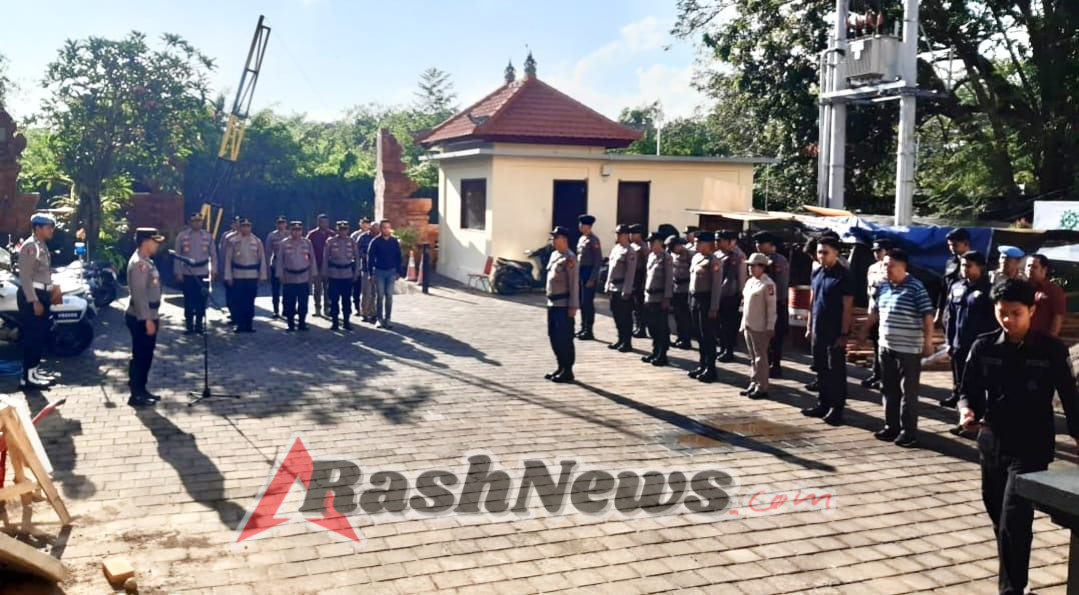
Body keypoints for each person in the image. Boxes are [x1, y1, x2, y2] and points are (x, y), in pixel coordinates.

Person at [957, 278, 1079, 595]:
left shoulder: (1051, 350)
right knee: (1000, 520)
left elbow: (1071, 399)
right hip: (992, 444)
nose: (1008, 320)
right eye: (1002, 313)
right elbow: (966, 391)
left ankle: (1012, 590)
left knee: (1014, 519)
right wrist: (967, 411)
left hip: (1032, 447)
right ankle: (1014, 578)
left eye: (1016, 313)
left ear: (1032, 310)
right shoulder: (983, 346)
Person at [860, 249, 934, 446]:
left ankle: (908, 431)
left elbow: (928, 316)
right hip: (886, 346)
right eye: (885, 265)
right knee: (888, 388)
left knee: (908, 392)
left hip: (909, 349)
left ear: (903, 267)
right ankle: (890, 426)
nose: (887, 269)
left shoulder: (916, 287)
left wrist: (928, 342)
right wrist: (864, 330)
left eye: (891, 265)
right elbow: (875, 311)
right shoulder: (883, 286)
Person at [803, 236, 853, 425]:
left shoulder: (843, 276)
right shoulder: (817, 273)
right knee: (821, 369)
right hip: (818, 329)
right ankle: (822, 404)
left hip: (835, 331)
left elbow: (847, 307)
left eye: (825, 252)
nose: (821, 256)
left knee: (836, 372)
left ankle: (836, 408)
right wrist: (809, 326)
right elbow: (813, 301)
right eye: (819, 252)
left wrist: (844, 333)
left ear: (836, 253)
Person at [942, 251, 996, 409]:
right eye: (962, 265)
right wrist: (949, 341)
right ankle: (961, 407)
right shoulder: (956, 286)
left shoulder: (989, 290)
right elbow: (950, 316)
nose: (964, 268)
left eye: (968, 265)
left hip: (979, 345)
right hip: (959, 343)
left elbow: (994, 320)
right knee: (960, 379)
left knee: (977, 383)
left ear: (980, 267)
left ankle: (976, 415)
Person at [17, 213, 59, 390]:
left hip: (41, 294)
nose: (52, 230)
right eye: (49, 227)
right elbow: (25, 277)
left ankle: (34, 372)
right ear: (38, 228)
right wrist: (34, 300)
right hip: (32, 296)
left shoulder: (41, 245)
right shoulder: (30, 246)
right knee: (32, 337)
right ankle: (27, 379)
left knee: (39, 336)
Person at [126, 227, 166, 407]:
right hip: (141, 316)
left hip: (149, 314)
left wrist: (155, 315)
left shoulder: (146, 261)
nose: (157, 244)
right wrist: (147, 319)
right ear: (145, 242)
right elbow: (139, 294)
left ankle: (142, 389)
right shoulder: (139, 264)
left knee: (146, 355)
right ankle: (136, 394)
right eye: (154, 241)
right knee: (140, 355)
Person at [543, 226, 580, 383]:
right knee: (554, 336)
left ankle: (568, 370)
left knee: (565, 338)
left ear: (563, 239)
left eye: (555, 238)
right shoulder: (554, 255)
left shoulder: (570, 258)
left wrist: (573, 306)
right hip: (552, 302)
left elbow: (573, 285)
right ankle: (560, 366)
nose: (552, 240)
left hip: (564, 304)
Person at [688, 231, 724, 383]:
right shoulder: (696, 257)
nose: (695, 244)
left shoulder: (714, 261)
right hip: (694, 299)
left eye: (698, 242)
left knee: (708, 336)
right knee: (699, 335)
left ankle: (711, 368)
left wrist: (714, 307)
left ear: (708, 244)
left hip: (706, 301)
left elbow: (716, 286)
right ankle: (702, 365)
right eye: (695, 242)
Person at [740, 253, 777, 399]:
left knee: (760, 357)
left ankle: (762, 386)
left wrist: (770, 325)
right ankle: (753, 382)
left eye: (753, 265)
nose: (750, 268)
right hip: (748, 323)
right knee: (752, 357)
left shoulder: (768, 284)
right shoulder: (750, 282)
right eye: (749, 265)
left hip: (760, 326)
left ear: (762, 267)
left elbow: (772, 308)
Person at [173, 212, 216, 334]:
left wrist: (213, 271)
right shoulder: (182, 236)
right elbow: (177, 255)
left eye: (199, 221)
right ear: (189, 222)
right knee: (189, 300)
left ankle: (199, 325)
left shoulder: (208, 236)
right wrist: (178, 272)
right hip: (188, 272)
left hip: (203, 272)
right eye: (194, 221)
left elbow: (213, 255)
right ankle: (189, 326)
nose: (197, 223)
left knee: (202, 300)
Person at [754, 232, 789, 377]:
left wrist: (778, 300)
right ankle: (766, 363)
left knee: (776, 335)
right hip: (761, 303)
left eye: (761, 243)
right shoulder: (759, 259)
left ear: (771, 245)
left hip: (776, 303)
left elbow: (780, 283)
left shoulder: (778, 260)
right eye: (757, 243)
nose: (758, 246)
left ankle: (776, 364)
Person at [222, 218, 266, 333]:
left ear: (251, 227)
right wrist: (228, 276)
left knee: (250, 301)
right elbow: (228, 260)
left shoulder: (257, 241)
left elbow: (262, 259)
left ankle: (249, 324)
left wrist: (262, 275)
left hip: (252, 275)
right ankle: (240, 324)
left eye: (248, 225)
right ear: (240, 227)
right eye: (243, 226)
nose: (245, 228)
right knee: (238, 301)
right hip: (238, 275)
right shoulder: (233, 240)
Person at [862, 238, 893, 389]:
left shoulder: (891, 270)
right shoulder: (872, 268)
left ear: (887, 251)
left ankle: (885, 377)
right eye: (874, 251)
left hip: (886, 315)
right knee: (875, 346)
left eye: (878, 250)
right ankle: (876, 374)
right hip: (873, 312)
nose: (876, 253)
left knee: (885, 348)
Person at [276, 221, 315, 331]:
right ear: (290, 230)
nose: (296, 232)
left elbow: (312, 260)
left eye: (298, 230)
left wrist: (313, 274)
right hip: (289, 277)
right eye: (294, 229)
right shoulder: (284, 243)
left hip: (303, 277)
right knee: (289, 302)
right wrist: (280, 274)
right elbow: (280, 260)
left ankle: (302, 323)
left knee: (303, 302)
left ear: (301, 231)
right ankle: (290, 323)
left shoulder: (307, 243)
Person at [642, 232, 674, 366]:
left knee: (661, 327)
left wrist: (666, 298)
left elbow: (668, 279)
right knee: (652, 326)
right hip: (650, 296)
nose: (650, 244)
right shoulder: (651, 256)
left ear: (660, 242)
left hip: (660, 297)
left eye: (652, 242)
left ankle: (662, 353)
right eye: (649, 242)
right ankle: (655, 351)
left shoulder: (666, 258)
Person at [604, 224, 638, 352]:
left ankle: (627, 342)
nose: (617, 236)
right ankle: (620, 339)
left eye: (619, 234)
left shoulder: (630, 251)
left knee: (625, 316)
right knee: (616, 315)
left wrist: (627, 290)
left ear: (625, 235)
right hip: (614, 286)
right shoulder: (616, 248)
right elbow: (610, 269)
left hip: (623, 287)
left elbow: (630, 273)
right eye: (616, 234)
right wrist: (607, 284)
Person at [323, 220, 359, 331]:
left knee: (346, 300)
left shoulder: (351, 241)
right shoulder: (330, 241)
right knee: (334, 300)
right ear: (337, 229)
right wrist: (325, 273)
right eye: (340, 229)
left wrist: (356, 272)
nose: (342, 231)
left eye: (345, 229)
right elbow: (325, 258)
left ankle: (347, 322)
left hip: (347, 274)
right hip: (334, 275)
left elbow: (357, 258)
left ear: (348, 230)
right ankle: (334, 322)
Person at [716, 230, 746, 362]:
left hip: (730, 295)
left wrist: (741, 294)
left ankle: (728, 350)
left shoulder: (737, 256)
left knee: (729, 325)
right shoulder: (717, 254)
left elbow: (741, 277)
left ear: (730, 241)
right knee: (720, 325)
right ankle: (722, 348)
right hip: (719, 295)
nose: (717, 242)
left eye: (720, 240)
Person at [367, 219, 402, 329]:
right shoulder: (375, 241)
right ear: (380, 229)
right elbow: (370, 258)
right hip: (379, 272)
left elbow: (398, 257)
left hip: (391, 271)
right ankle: (379, 319)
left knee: (389, 296)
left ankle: (388, 319)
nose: (386, 229)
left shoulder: (394, 241)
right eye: (384, 227)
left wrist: (398, 271)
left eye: (388, 227)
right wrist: (370, 273)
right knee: (380, 296)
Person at [936, 227, 971, 327]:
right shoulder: (950, 263)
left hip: (965, 310)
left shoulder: (977, 262)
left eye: (955, 245)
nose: (951, 248)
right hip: (949, 309)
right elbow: (943, 290)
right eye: (949, 245)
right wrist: (939, 314)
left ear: (966, 243)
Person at [575, 214, 602, 340]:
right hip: (581, 272)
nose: (580, 226)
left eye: (582, 224)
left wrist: (592, 278)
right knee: (582, 302)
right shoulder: (581, 239)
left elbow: (597, 261)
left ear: (588, 226)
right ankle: (583, 327)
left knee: (588, 303)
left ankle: (589, 330)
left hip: (589, 272)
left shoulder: (593, 240)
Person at [1025, 253, 1065, 337]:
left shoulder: (1054, 290)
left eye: (1034, 267)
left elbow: (1057, 317)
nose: (1030, 269)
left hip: (1041, 339)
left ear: (1044, 269)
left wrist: (1050, 339)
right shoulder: (1020, 287)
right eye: (1028, 266)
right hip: (1021, 338)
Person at [667, 235, 695, 349]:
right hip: (675, 288)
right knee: (677, 316)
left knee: (685, 317)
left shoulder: (689, 255)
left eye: (673, 247)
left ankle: (686, 340)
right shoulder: (672, 255)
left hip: (685, 289)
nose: (672, 249)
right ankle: (680, 337)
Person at [306, 214, 334, 317]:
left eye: (326, 222)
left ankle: (327, 307)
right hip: (316, 265)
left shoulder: (332, 234)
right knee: (317, 288)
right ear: (318, 222)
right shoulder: (312, 235)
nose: (324, 224)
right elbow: (307, 249)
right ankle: (317, 307)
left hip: (328, 266)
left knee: (328, 288)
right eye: (322, 222)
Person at [264, 216, 289, 319]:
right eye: (279, 223)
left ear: (285, 224)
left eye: (283, 222)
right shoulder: (272, 236)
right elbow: (268, 252)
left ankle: (287, 309)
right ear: (276, 224)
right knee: (275, 290)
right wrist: (266, 268)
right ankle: (276, 310)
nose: (281, 225)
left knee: (288, 290)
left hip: (288, 266)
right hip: (275, 264)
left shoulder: (289, 235)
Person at [354, 218, 378, 323]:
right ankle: (364, 313)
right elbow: (357, 252)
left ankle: (373, 312)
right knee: (366, 292)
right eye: (374, 229)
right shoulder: (363, 238)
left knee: (374, 293)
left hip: (378, 269)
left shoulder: (380, 238)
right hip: (366, 268)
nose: (376, 231)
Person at [219, 217, 241, 321]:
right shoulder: (227, 236)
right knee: (231, 293)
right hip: (230, 269)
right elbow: (223, 254)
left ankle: (240, 315)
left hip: (242, 271)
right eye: (235, 223)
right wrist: (223, 270)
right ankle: (233, 313)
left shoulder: (251, 237)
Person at [629, 224, 648, 338]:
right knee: (634, 305)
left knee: (640, 304)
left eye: (633, 233)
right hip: (633, 276)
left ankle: (642, 328)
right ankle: (637, 326)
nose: (631, 235)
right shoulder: (632, 246)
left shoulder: (643, 247)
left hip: (640, 276)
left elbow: (646, 265)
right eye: (630, 233)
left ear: (639, 234)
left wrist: (644, 281)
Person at [350, 218, 373, 314]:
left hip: (368, 266)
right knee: (357, 287)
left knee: (369, 290)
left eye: (367, 224)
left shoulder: (373, 235)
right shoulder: (355, 235)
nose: (365, 225)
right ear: (360, 224)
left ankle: (370, 309)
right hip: (357, 264)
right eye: (363, 223)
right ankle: (357, 307)